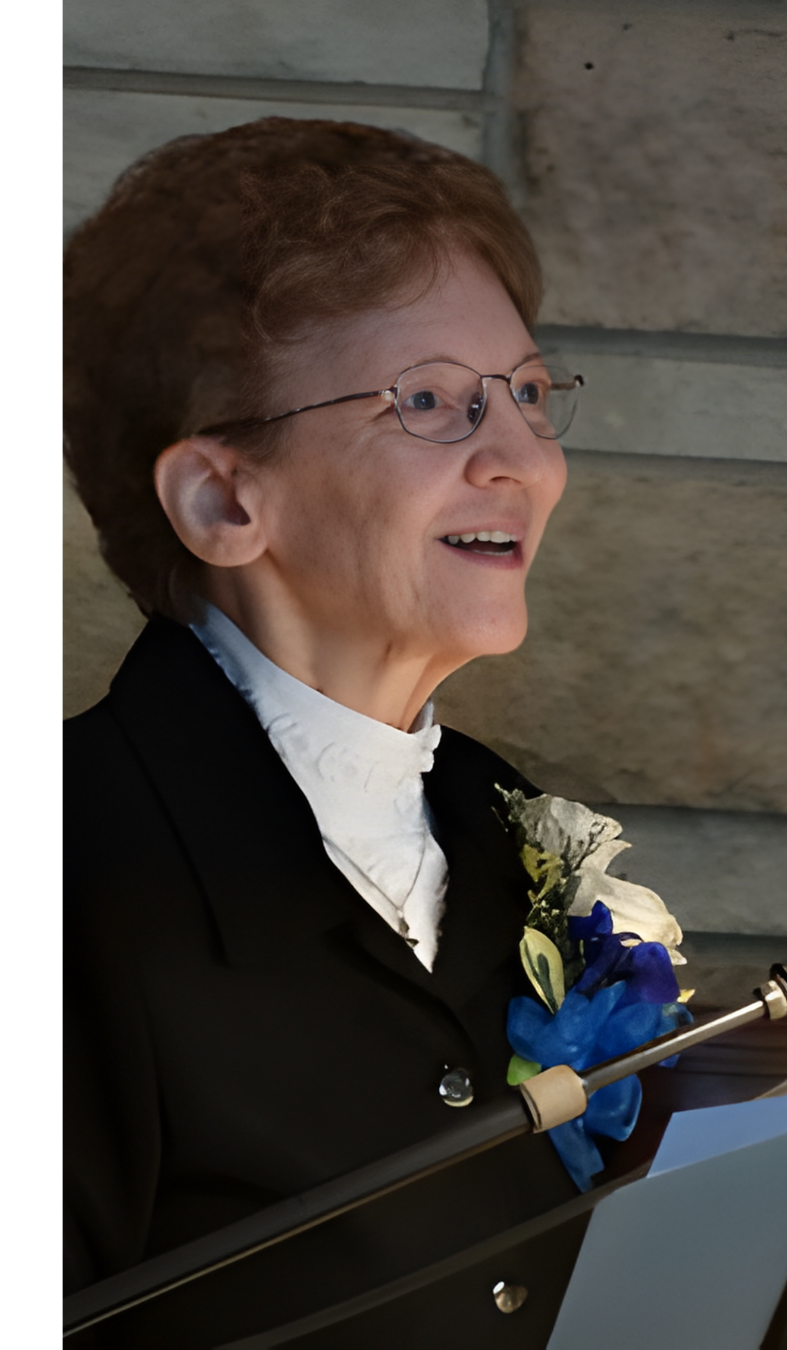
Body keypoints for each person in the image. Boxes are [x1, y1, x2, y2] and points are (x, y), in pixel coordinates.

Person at [63, 118, 591, 1348]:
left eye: (526, 395)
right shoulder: (79, 859)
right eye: (431, 403)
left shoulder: (507, 822)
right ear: (223, 499)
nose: (523, 460)